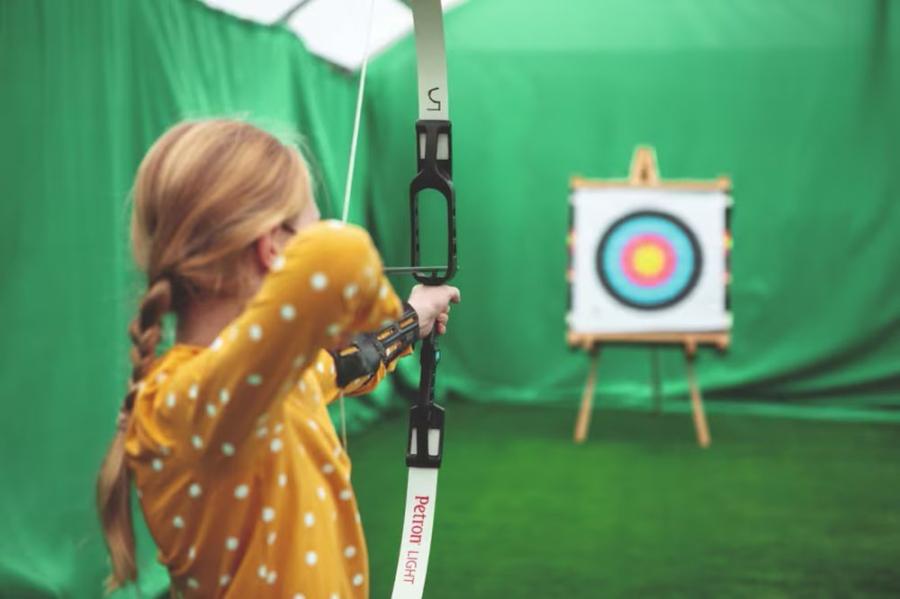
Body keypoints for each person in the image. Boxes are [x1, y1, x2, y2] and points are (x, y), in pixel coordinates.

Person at [95, 119, 460, 597]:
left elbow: (349, 364)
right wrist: (367, 302)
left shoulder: (268, 381)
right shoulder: (183, 407)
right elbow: (338, 259)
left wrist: (414, 318)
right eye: (307, 228)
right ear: (272, 249)